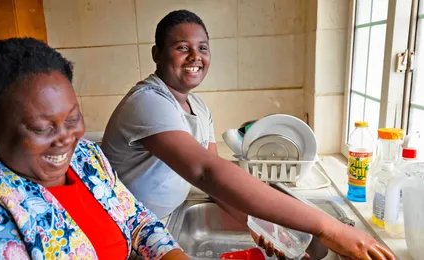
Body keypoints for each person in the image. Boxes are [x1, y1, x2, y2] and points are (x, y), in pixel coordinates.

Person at [102, 10, 396, 260]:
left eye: (203, 47)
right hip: (124, 232)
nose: (195, 56)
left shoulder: (199, 108)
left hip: (158, 224)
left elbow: (218, 188)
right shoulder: (148, 102)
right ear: (157, 54)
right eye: (182, 47)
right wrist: (329, 227)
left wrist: (261, 227)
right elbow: (206, 172)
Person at [0, 38, 189, 260]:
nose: (65, 138)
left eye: (73, 118)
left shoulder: (86, 158)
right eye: (41, 128)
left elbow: (136, 220)